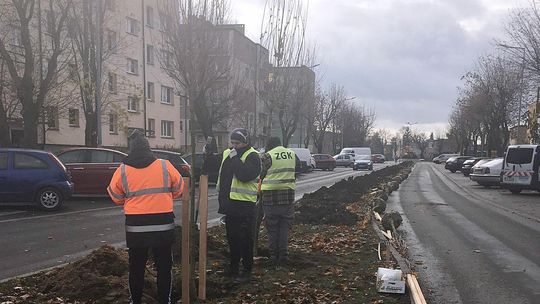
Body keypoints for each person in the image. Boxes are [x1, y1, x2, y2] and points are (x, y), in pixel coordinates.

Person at [107, 130, 184, 304]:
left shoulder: (123, 170)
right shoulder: (165, 165)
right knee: (164, 267)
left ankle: (136, 301)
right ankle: (165, 300)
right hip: (163, 225)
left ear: (131, 149)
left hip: (136, 228)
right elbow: (179, 188)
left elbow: (115, 196)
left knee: (136, 268)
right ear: (149, 148)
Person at [205, 128, 261, 283]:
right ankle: (234, 267)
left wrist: (235, 158)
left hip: (244, 205)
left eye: (238, 143)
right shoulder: (228, 153)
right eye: (233, 143)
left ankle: (246, 270)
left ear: (245, 142)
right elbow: (213, 166)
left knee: (245, 239)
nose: (234, 146)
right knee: (232, 238)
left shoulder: (253, 156)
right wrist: (208, 154)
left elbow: (244, 175)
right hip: (230, 204)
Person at [259, 137, 296, 267]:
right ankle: (283, 256)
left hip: (270, 198)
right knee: (284, 227)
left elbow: (261, 174)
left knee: (272, 228)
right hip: (288, 197)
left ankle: (273, 256)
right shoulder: (291, 154)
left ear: (270, 145)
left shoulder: (267, 156)